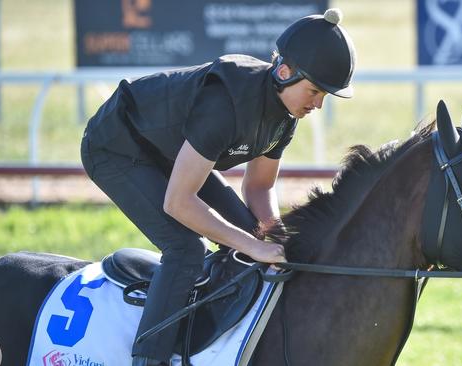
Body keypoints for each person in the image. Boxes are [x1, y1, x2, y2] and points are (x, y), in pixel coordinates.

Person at [80, 8, 356, 366]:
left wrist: (276, 240)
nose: (318, 104)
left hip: (168, 151)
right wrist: (252, 245)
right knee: (186, 248)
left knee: (247, 235)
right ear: (285, 72)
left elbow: (258, 188)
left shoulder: (286, 115)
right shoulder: (225, 105)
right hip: (116, 146)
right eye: (315, 91)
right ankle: (149, 358)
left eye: (325, 96)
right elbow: (179, 203)